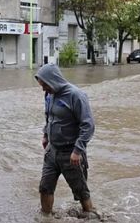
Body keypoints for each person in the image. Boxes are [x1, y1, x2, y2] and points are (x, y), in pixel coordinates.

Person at [34, 63, 95, 215]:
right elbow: (49, 117)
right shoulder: (49, 94)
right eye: (42, 86)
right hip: (52, 151)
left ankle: (91, 217)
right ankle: (46, 220)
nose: (43, 89)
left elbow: (88, 126)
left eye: (45, 85)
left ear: (54, 80)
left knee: (81, 191)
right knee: (45, 187)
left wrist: (78, 150)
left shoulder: (76, 95)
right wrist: (45, 135)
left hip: (71, 153)